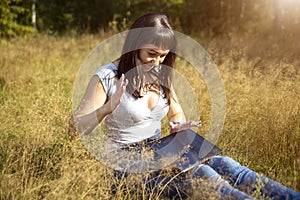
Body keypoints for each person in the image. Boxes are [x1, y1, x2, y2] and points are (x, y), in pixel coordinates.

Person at [69, 12, 300, 199]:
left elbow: (175, 110)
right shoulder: (107, 77)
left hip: (162, 148)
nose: (157, 62)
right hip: (125, 164)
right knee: (204, 175)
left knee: (229, 165)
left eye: (163, 56)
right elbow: (73, 130)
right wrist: (105, 109)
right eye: (151, 54)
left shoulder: (159, 73)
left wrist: (177, 124)